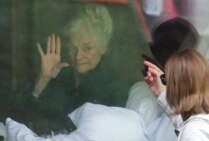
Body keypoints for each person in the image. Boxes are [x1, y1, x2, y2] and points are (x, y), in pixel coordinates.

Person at [11, 3, 134, 136]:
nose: (78, 56)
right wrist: (43, 79)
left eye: (87, 48)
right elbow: (16, 117)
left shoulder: (113, 86)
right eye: (72, 47)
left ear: (103, 47)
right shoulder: (61, 73)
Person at [144, 48, 209, 141]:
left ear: (176, 89)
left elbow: (195, 130)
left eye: (168, 81)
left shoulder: (193, 133)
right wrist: (163, 94)